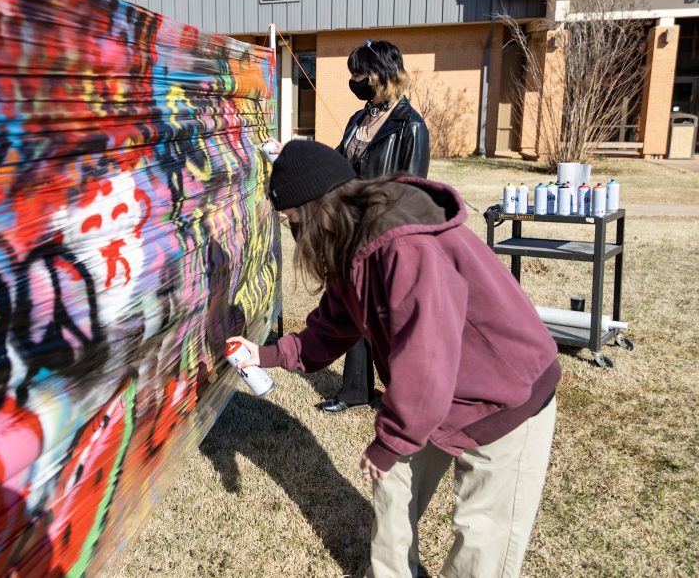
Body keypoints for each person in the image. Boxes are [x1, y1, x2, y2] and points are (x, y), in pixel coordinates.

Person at [229, 140, 560, 578]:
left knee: (482, 535)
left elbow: (426, 359)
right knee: (391, 485)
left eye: (293, 221)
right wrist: (267, 354)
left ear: (314, 211)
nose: (294, 234)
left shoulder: (400, 247)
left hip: (506, 396)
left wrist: (392, 440)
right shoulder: (353, 241)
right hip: (437, 392)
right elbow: (332, 327)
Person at [268, 39, 430, 413]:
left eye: (359, 73)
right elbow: (335, 164)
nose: (354, 80)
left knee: (388, 315)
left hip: (385, 231)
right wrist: (289, 154)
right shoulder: (360, 119)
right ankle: (355, 389)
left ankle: (404, 393)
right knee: (354, 304)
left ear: (382, 75)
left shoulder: (411, 127)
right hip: (347, 226)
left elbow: (414, 188)